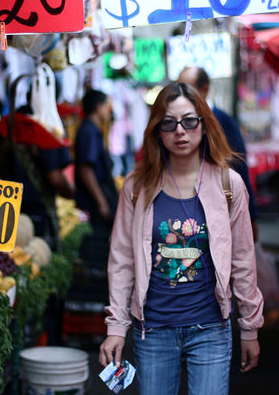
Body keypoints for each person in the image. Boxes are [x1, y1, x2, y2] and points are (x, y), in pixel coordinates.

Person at [99, 82, 263, 395]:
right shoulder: (137, 187)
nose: (180, 132)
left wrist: (250, 327)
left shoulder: (229, 184)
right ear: (157, 130)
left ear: (204, 123)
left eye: (189, 121)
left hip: (211, 328)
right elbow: (122, 260)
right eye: (169, 123)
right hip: (155, 329)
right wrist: (116, 327)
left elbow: (242, 258)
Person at [177, 67, 259, 223]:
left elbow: (239, 166)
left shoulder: (222, 121)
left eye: (186, 89)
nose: (180, 95)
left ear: (204, 90)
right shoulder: (174, 123)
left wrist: (250, 215)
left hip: (218, 208)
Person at [0, 106, 75, 239]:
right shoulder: (49, 128)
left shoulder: (3, 125)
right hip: (35, 212)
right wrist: (72, 193)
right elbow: (55, 178)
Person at [74, 89, 119, 232]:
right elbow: (86, 169)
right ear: (99, 106)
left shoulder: (91, 129)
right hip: (92, 202)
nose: (108, 110)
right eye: (107, 105)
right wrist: (101, 202)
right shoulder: (89, 131)